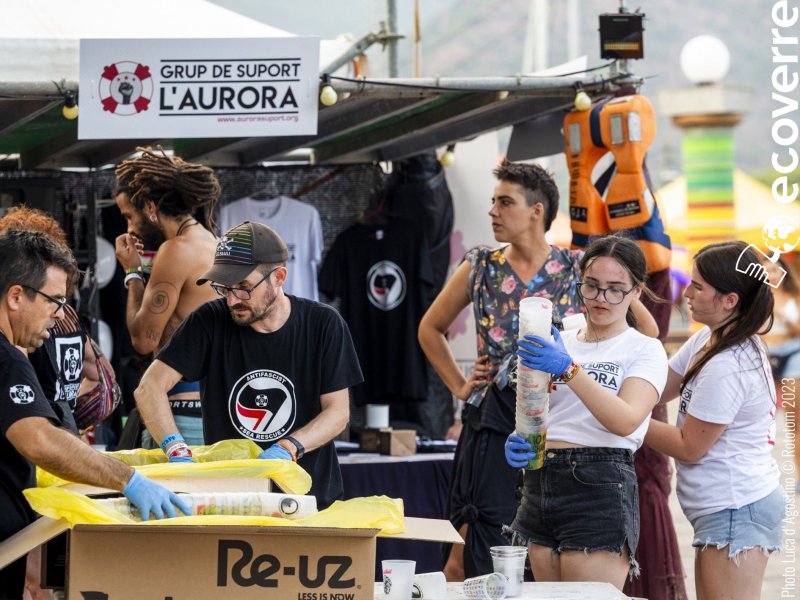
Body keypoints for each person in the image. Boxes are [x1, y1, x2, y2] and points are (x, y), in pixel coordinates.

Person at [417, 160, 659, 580]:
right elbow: (429, 328)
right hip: (505, 418)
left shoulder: (578, 265)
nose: (493, 211)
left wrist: (571, 361)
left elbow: (645, 331)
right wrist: (461, 385)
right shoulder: (481, 265)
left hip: (579, 435)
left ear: (537, 210)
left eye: (505, 202)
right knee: (483, 535)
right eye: (492, 201)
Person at [0, 229, 189, 599]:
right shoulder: (6, 358)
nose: (57, 316)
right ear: (16, 296)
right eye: (54, 301)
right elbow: (38, 438)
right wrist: (128, 480)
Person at [133, 221, 363, 509]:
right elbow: (149, 387)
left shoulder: (323, 324)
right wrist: (175, 447)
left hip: (308, 500)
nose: (231, 300)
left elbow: (338, 412)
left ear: (279, 277)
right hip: (233, 499)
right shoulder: (209, 321)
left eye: (243, 287)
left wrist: (288, 447)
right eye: (224, 288)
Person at [503, 235, 668, 590]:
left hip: (599, 484)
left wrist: (569, 369)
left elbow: (625, 420)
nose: (600, 299)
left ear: (636, 292)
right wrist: (518, 437)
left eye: (614, 289)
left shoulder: (644, 349)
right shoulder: (564, 336)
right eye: (591, 286)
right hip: (539, 480)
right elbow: (540, 407)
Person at [644, 241, 784, 600]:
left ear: (730, 300)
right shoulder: (709, 338)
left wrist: (625, 420)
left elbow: (689, 447)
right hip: (725, 509)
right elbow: (658, 387)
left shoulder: (728, 365)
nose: (686, 292)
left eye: (698, 286)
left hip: (738, 507)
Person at [114, 147, 220, 446]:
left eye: (128, 216)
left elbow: (143, 340)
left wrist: (132, 272)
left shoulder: (176, 250)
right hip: (208, 405)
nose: (129, 228)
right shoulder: (211, 240)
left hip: (179, 410)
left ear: (149, 207)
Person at [0, 206, 117, 436]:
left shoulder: (23, 322)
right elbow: (106, 381)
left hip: (39, 447)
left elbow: (19, 389)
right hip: (63, 444)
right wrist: (71, 421)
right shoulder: (69, 316)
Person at [762, 256, 800, 493]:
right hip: (765, 355)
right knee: (760, 418)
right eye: (766, 271)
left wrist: (782, 313)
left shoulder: (793, 298)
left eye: (775, 270)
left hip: (792, 352)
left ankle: (798, 475)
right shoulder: (756, 300)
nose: (771, 275)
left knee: (795, 420)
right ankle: (763, 476)